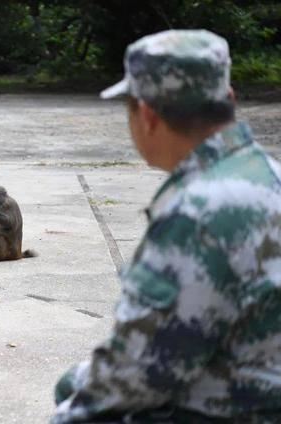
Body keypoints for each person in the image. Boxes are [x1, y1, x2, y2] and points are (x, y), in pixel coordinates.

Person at [52, 29, 281, 423]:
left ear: (147, 115)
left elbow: (140, 370)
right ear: (229, 99)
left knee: (81, 401)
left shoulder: (196, 213)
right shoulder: (267, 175)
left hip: (239, 408)